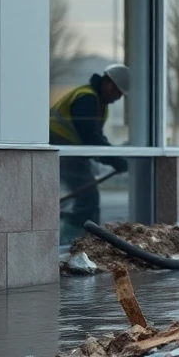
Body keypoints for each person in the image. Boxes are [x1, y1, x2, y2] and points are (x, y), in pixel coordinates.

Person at [49, 64, 131, 237]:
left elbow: (96, 137)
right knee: (88, 201)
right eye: (118, 93)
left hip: (68, 151)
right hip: (63, 150)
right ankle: (71, 242)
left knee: (83, 200)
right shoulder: (87, 99)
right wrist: (115, 159)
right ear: (109, 84)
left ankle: (78, 238)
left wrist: (113, 157)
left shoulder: (96, 100)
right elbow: (90, 139)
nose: (118, 98)